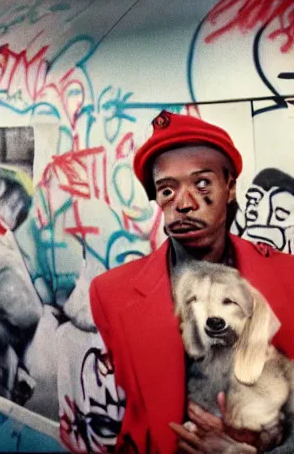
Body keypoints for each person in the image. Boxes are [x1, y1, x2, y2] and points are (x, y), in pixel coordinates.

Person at [90, 110, 294, 453]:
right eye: (166, 190)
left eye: (202, 183)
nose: (182, 203)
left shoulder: (288, 276)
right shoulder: (110, 292)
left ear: (229, 188)